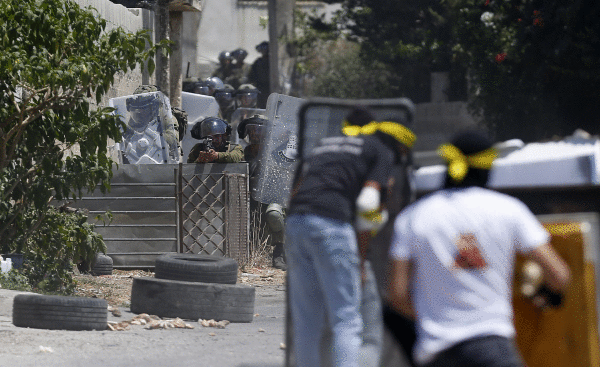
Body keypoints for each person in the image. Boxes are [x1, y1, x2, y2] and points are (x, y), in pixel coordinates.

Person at [387, 130, 571, 367]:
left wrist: (432, 317)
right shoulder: (509, 210)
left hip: (437, 352)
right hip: (492, 348)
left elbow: (397, 294)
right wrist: (545, 295)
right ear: (487, 167)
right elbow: (559, 274)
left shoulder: (413, 217)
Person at [285, 107, 417, 367]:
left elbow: (297, 190)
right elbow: (368, 204)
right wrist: (359, 256)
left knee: (307, 319)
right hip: (331, 225)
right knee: (346, 318)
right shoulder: (379, 149)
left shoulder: (325, 144)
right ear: (396, 144)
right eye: (402, 153)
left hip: (296, 221)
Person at [238, 114, 288, 270]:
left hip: (274, 195)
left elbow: (289, 167)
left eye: (260, 131)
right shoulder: (243, 153)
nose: (256, 135)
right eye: (252, 131)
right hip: (249, 197)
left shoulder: (277, 152)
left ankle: (280, 253)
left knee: (274, 215)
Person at [248, 41, 270, 109]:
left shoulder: (273, 61)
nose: (264, 51)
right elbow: (251, 75)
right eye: (263, 49)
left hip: (271, 87)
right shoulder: (258, 62)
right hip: (260, 88)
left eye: (266, 49)